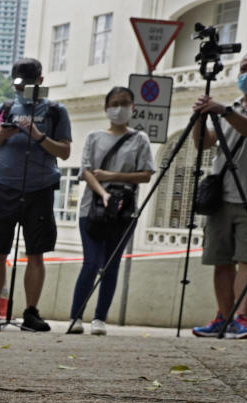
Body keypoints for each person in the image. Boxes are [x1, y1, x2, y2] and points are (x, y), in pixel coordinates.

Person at [0, 58, 71, 332]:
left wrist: (38, 135)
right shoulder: (6, 108)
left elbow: (64, 152)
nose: (22, 89)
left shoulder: (55, 111)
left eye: (28, 84)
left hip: (40, 189)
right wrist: (2, 136)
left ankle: (31, 312)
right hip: (5, 186)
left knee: (36, 253)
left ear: (40, 81)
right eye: (18, 84)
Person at [67, 87, 154, 336]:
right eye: (114, 103)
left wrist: (112, 177)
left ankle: (100, 318)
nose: (119, 108)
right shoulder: (95, 137)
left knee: (111, 264)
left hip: (124, 210)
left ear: (132, 107)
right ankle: (76, 316)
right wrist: (103, 191)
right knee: (91, 262)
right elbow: (86, 170)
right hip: (92, 208)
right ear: (106, 108)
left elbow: (146, 174)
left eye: (124, 103)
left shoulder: (139, 139)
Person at [190, 51, 247, 339]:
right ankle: (223, 318)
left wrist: (223, 110)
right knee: (221, 259)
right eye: (243, 68)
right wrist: (201, 117)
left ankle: (240, 318)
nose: (245, 74)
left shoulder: (230, 110)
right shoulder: (234, 106)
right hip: (221, 196)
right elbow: (204, 143)